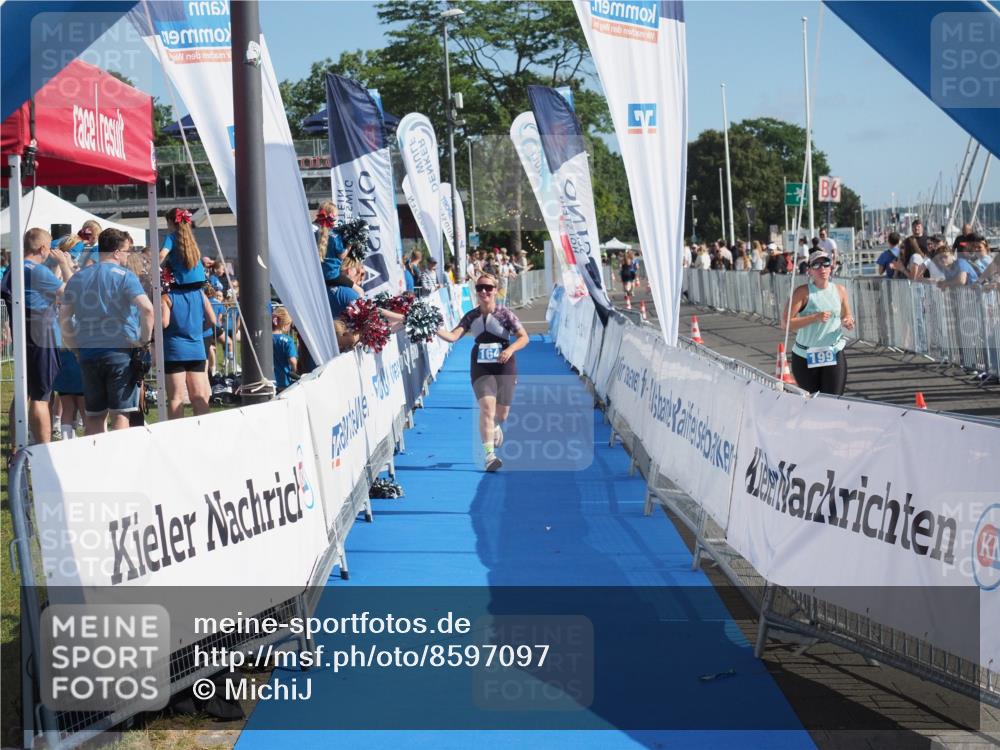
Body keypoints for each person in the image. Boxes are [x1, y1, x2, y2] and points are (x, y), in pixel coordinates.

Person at [60, 228, 154, 435]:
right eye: (127, 251)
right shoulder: (125, 277)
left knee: (94, 415)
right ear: (117, 252)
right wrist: (144, 343)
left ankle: (95, 463)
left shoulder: (78, 277)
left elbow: (64, 318)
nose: (129, 256)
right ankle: (118, 462)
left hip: (88, 351)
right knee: (120, 415)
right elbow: (147, 309)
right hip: (120, 352)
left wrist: (74, 347)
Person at [434, 273, 530, 472]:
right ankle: (489, 456)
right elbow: (452, 337)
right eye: (479, 288)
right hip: (480, 364)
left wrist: (510, 349)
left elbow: (524, 337)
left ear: (495, 290)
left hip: (504, 362)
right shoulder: (471, 316)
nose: (484, 291)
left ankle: (495, 427)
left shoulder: (505, 314)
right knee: (486, 408)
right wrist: (432, 328)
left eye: (488, 287)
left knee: (501, 415)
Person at [2, 229, 74, 445]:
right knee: (42, 397)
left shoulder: (13, 268)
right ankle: (44, 450)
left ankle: (17, 448)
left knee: (22, 392)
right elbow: (72, 292)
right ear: (43, 248)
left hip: (25, 334)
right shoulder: (36, 271)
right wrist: (64, 264)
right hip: (42, 337)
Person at [160, 210, 213, 418]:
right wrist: (198, 331)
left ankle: (175, 437)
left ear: (172, 223)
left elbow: (164, 323)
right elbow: (211, 320)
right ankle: (204, 434)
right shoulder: (200, 295)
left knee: (175, 398)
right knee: (199, 396)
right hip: (197, 347)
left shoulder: (168, 297)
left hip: (174, 350)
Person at [782, 250, 855, 396]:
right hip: (805, 354)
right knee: (812, 401)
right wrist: (814, 317)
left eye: (826, 263)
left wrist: (848, 321)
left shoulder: (840, 290)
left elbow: (847, 314)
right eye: (816, 265)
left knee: (834, 399)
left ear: (831, 267)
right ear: (809, 270)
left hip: (833, 351)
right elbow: (785, 323)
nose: (822, 268)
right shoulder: (802, 292)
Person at [272, 307, 298, 392]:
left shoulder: (264, 338)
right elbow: (292, 360)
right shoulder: (288, 341)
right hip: (284, 380)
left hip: (268, 380)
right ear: (285, 324)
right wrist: (295, 372)